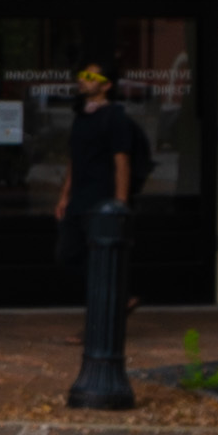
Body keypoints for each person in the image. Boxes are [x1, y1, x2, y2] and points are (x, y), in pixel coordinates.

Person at [60, 57, 155, 408]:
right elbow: (74, 158)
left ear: (106, 84)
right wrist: (64, 195)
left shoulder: (115, 118)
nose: (82, 79)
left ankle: (98, 326)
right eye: (81, 74)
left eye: (90, 76)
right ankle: (119, 300)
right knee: (69, 255)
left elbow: (122, 162)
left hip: (102, 201)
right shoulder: (81, 115)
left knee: (98, 263)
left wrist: (119, 204)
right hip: (79, 199)